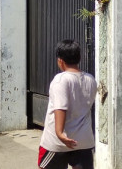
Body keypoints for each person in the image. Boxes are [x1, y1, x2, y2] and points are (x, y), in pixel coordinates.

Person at [38, 40, 97, 169]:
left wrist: (60, 133)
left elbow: (61, 108)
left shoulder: (61, 80)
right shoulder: (91, 79)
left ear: (60, 60)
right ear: (79, 58)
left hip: (58, 142)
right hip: (83, 141)